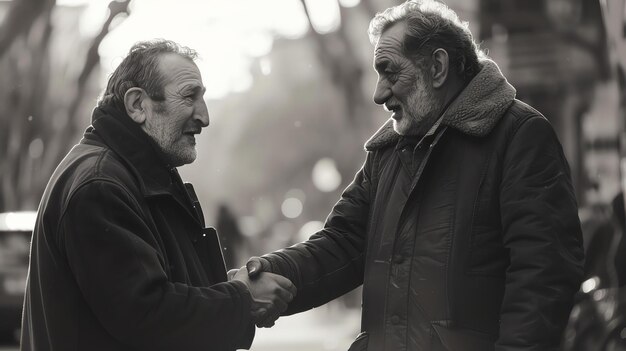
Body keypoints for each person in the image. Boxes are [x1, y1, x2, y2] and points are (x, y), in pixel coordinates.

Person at [243, 1, 585, 350]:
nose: (379, 94)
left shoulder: (519, 136)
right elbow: (341, 244)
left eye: (390, 72)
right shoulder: (387, 153)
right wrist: (265, 273)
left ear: (437, 67)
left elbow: (543, 278)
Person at [20, 39, 295, 351]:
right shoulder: (101, 186)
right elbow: (148, 316)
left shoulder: (131, 175)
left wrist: (228, 290)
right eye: (190, 97)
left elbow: (155, 295)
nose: (204, 117)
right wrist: (242, 299)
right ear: (138, 105)